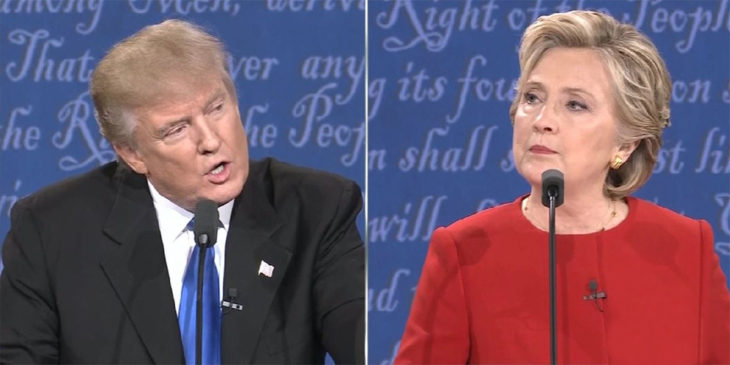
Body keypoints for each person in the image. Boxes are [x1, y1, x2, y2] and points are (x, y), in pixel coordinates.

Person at [0, 20, 364, 364]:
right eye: (176, 129)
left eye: (216, 108)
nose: (210, 140)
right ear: (132, 153)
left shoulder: (316, 210)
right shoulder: (52, 230)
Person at [395, 10, 730, 364]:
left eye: (575, 104)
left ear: (626, 144)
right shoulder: (464, 251)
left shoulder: (688, 248)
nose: (542, 121)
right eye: (532, 98)